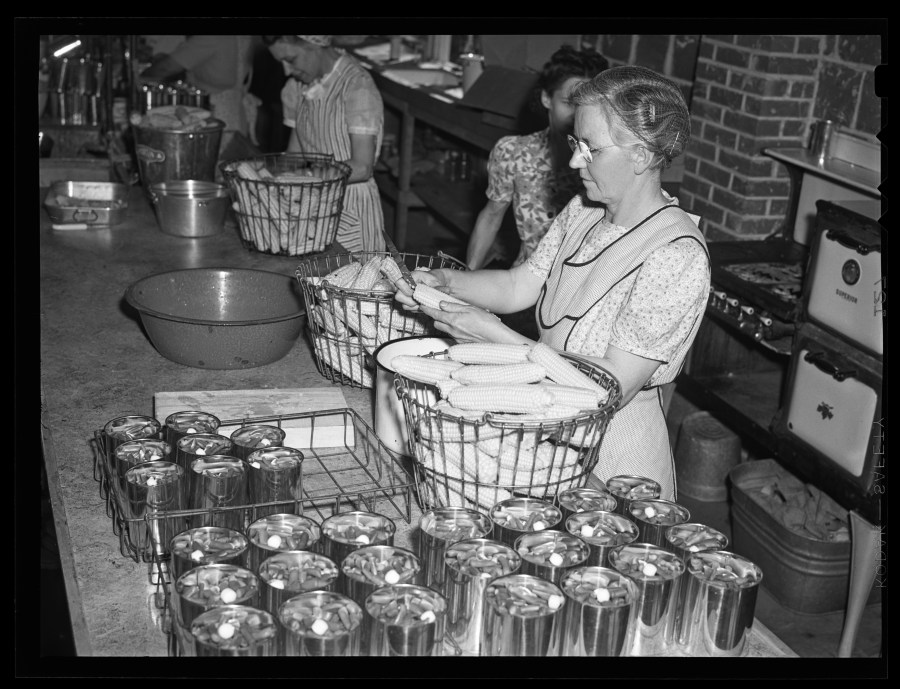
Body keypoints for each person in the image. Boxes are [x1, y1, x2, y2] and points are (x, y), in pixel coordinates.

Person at [395, 65, 711, 501]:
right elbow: (518, 285)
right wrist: (447, 282)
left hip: (615, 458)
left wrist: (496, 338)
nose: (574, 160)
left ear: (640, 155)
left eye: (591, 148)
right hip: (546, 432)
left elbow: (611, 389)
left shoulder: (675, 255)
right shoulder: (583, 212)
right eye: (574, 142)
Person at [466, 45, 609, 271]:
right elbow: (491, 217)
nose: (577, 116)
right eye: (569, 103)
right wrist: (467, 278)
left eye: (586, 105)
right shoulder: (513, 153)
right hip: (524, 281)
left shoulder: (607, 162)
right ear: (546, 99)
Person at [265, 35, 386, 253]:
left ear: (314, 44)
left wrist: (308, 178)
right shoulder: (297, 87)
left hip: (350, 204)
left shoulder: (356, 86)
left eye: (290, 59)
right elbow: (295, 156)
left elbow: (362, 167)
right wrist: (266, 179)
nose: (286, 70)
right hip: (312, 205)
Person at [138, 35, 255, 145]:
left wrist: (139, 76)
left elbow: (166, 68)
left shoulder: (212, 37)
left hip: (214, 113)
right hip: (236, 113)